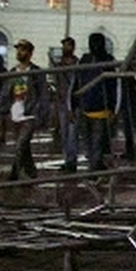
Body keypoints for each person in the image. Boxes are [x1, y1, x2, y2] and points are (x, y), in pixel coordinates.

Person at [4, 39, 51, 180]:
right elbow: (5, 93)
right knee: (24, 146)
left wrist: (42, 114)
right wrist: (2, 112)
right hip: (15, 113)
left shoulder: (36, 73)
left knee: (20, 144)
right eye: (18, 49)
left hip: (30, 114)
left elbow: (43, 94)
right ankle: (31, 171)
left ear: (30, 53)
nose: (19, 52)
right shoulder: (13, 72)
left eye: (23, 49)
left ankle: (14, 173)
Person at [75, 32, 118, 172]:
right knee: (90, 142)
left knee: (97, 142)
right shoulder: (85, 60)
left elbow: (114, 85)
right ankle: (95, 166)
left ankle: (94, 169)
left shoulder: (108, 60)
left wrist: (114, 107)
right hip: (87, 107)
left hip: (101, 108)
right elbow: (76, 82)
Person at [53, 36, 80, 171]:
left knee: (72, 133)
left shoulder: (78, 65)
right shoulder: (59, 65)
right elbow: (57, 84)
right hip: (61, 102)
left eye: (67, 46)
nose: (65, 48)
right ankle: (67, 159)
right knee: (64, 133)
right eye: (63, 46)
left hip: (74, 103)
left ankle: (72, 161)